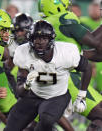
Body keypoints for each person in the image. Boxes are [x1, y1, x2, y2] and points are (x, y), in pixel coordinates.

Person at [4, 20, 92, 131]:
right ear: (30, 39)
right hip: (33, 94)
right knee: (11, 127)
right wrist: (26, 85)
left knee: (46, 120)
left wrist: (81, 96)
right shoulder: (23, 52)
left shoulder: (66, 53)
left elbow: (87, 68)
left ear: (51, 39)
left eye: (44, 39)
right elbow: (20, 92)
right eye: (36, 38)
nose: (39, 42)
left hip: (57, 96)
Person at [38, 0, 102, 130]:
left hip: (50, 77)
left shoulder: (45, 24)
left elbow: (85, 53)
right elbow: (94, 43)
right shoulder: (63, 19)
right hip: (66, 78)